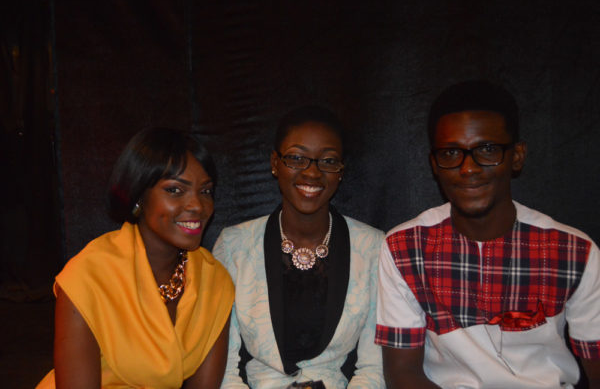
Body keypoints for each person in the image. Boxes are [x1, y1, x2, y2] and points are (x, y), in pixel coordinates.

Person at [375, 80, 600, 388]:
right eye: (452, 152)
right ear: (434, 164)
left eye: (487, 150)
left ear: (517, 156)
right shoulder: (404, 248)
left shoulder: (575, 252)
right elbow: (402, 374)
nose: (468, 168)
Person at [37, 127, 234, 389]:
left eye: (206, 191)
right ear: (139, 196)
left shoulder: (214, 282)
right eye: (175, 190)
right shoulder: (88, 275)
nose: (197, 205)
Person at [213, 106, 385, 388]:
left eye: (328, 161)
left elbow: (374, 367)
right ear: (274, 163)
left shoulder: (373, 247)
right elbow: (223, 368)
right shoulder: (233, 246)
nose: (312, 173)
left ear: (341, 170)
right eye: (296, 158)